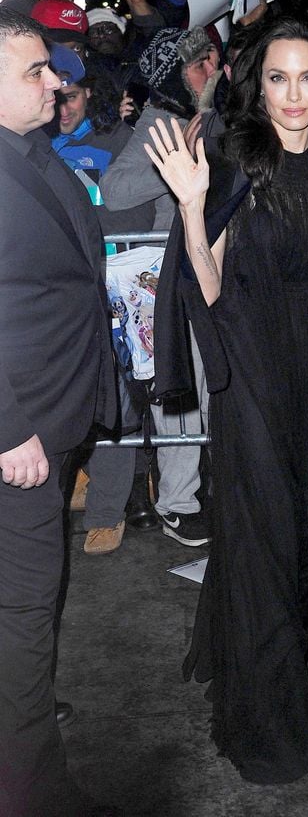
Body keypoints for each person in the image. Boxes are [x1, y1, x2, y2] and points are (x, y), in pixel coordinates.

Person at [148, 16, 308, 784]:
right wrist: (192, 206)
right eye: (279, 77)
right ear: (259, 84)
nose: (294, 94)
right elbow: (210, 288)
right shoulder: (234, 158)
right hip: (254, 377)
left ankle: (263, 636)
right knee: (266, 548)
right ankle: (265, 708)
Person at [0, 7, 116, 816]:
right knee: (26, 609)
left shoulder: (31, 149)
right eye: (34, 72)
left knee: (27, 605)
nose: (55, 82)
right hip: (22, 430)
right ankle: (34, 792)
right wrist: (6, 430)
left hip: (55, 413)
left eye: (52, 68)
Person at [101, 26, 220, 548]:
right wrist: (179, 158)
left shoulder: (211, 112)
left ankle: (216, 489)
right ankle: (177, 501)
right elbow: (113, 188)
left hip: (212, 273)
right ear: (176, 75)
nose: (211, 73)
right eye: (200, 66)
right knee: (180, 388)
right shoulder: (163, 120)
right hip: (171, 281)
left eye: (213, 62)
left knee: (215, 384)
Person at [48, 68, 157, 553]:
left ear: (91, 93)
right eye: (56, 97)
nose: (61, 108)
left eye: (70, 97)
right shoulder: (33, 140)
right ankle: (82, 481)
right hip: (55, 295)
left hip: (111, 292)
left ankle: (107, 510)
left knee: (116, 399)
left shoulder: (117, 141)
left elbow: (133, 216)